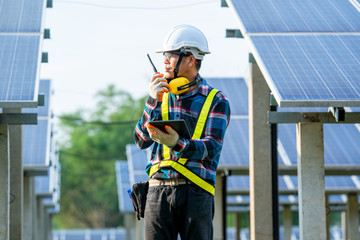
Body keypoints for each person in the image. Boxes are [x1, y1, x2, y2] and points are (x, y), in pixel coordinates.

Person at [134, 24, 231, 240]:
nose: (165, 60)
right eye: (165, 55)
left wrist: (177, 143)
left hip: (196, 192)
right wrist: (152, 101)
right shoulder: (159, 96)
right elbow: (140, 141)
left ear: (192, 59)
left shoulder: (216, 100)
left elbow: (212, 147)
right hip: (158, 190)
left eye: (172, 55)